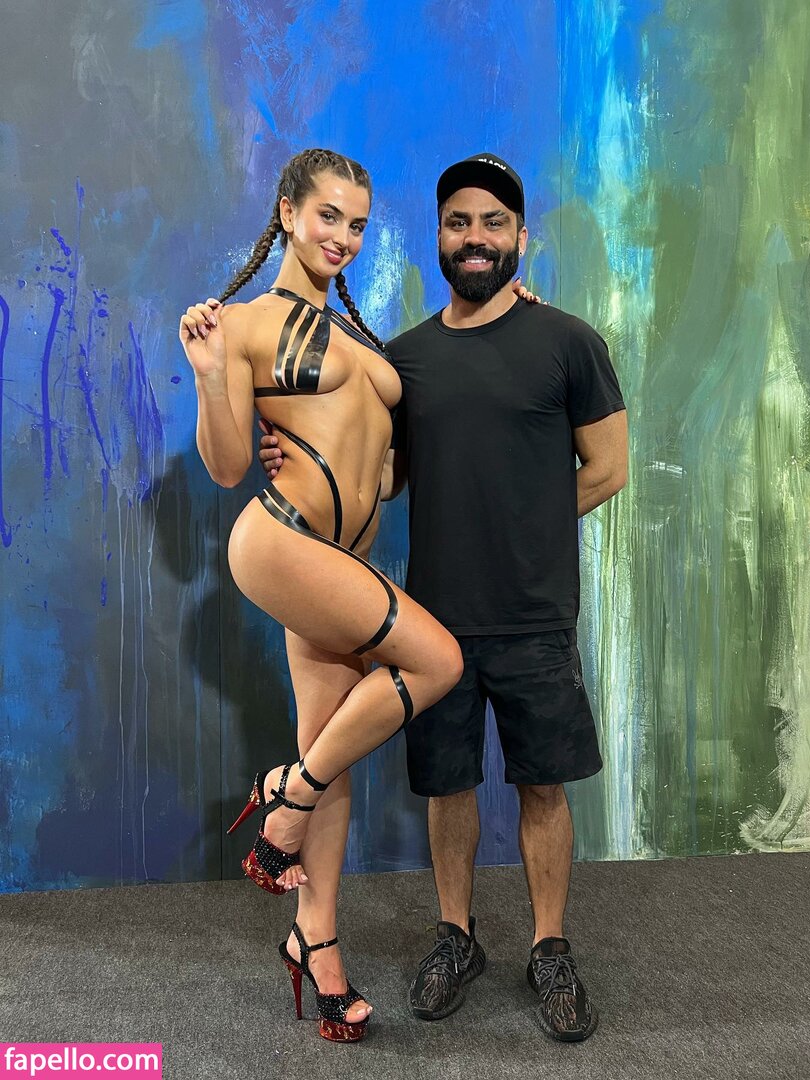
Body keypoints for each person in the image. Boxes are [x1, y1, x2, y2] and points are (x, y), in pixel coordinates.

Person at [261, 153, 628, 1043]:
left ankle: (549, 947)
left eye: (493, 223)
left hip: (535, 614)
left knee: (542, 785)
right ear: (439, 237)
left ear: (520, 238)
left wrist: (528, 528)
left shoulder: (569, 342)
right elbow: (384, 475)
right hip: (436, 618)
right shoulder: (409, 359)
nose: (475, 237)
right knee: (449, 787)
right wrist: (296, 451)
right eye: (459, 222)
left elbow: (608, 467)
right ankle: (455, 937)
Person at [179, 148, 465, 1043]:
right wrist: (209, 372)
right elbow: (228, 463)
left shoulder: (361, 337)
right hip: (284, 541)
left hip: (341, 564)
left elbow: (383, 461)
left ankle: (318, 945)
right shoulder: (245, 324)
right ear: (288, 211)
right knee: (438, 662)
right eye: (328, 215)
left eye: (358, 224)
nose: (343, 236)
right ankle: (287, 798)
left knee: (331, 748)